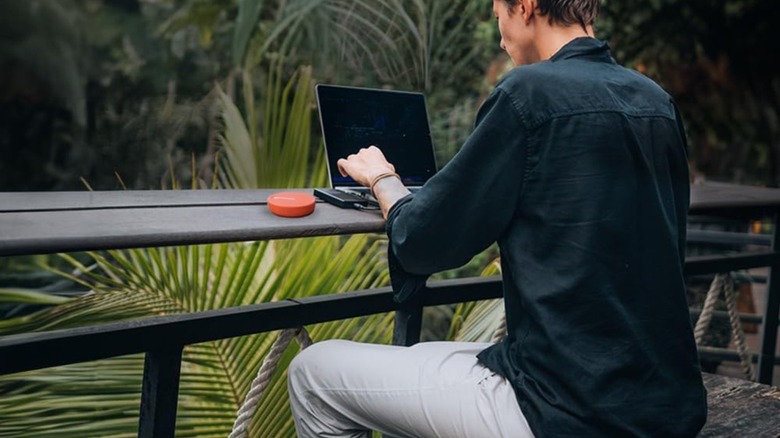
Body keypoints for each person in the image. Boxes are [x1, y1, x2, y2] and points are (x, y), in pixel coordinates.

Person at [287, 0, 708, 436]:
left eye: (498, 17)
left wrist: (382, 178)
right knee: (421, 362)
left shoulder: (527, 93)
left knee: (313, 374)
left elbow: (423, 240)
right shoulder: (656, 102)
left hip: (564, 411)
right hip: (664, 406)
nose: (501, 36)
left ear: (524, 7)